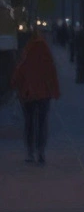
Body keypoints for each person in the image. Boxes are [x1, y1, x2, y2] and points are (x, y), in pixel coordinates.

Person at [11, 30, 61, 165]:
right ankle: (41, 151)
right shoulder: (46, 55)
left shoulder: (27, 55)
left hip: (28, 94)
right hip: (44, 94)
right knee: (42, 122)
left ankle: (30, 152)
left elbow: (18, 74)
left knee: (29, 123)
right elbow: (52, 74)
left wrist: (15, 85)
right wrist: (55, 92)